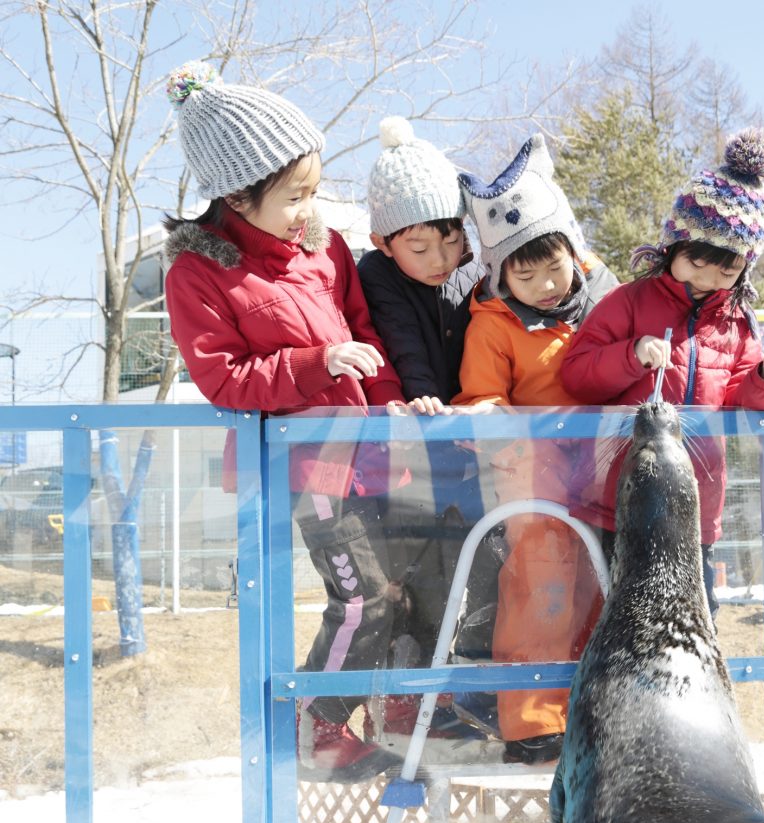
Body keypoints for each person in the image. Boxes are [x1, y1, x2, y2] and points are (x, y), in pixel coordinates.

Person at [162, 61, 427, 783]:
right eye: (292, 196)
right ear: (237, 194)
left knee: (405, 589)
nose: (307, 208)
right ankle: (317, 724)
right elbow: (222, 379)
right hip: (307, 460)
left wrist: (392, 398)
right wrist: (316, 365)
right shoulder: (199, 271)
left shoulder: (323, 247)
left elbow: (369, 337)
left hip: (371, 449)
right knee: (364, 594)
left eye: (312, 191)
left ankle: (390, 711)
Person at [560, 128, 764, 616]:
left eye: (727, 271)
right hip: (616, 500)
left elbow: (745, 408)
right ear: (673, 245)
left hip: (694, 508)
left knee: (692, 620)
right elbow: (577, 374)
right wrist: (632, 354)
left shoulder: (738, 325)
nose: (707, 279)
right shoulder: (628, 301)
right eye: (696, 261)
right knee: (604, 617)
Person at [452, 133, 618, 765]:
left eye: (555, 267)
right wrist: (509, 428)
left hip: (599, 465)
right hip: (532, 472)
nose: (546, 284)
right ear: (501, 275)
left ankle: (594, 710)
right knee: (541, 591)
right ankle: (530, 723)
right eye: (526, 274)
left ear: (575, 255)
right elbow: (480, 400)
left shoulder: (600, 303)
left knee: (599, 590)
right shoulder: (494, 325)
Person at [356, 115, 493, 748]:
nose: (441, 260)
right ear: (385, 243)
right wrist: (422, 395)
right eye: (421, 248)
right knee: (408, 580)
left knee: (469, 566)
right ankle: (397, 705)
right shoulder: (377, 277)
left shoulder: (469, 272)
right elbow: (402, 340)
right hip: (410, 446)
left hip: (465, 445)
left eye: (451, 241)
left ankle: (455, 696)